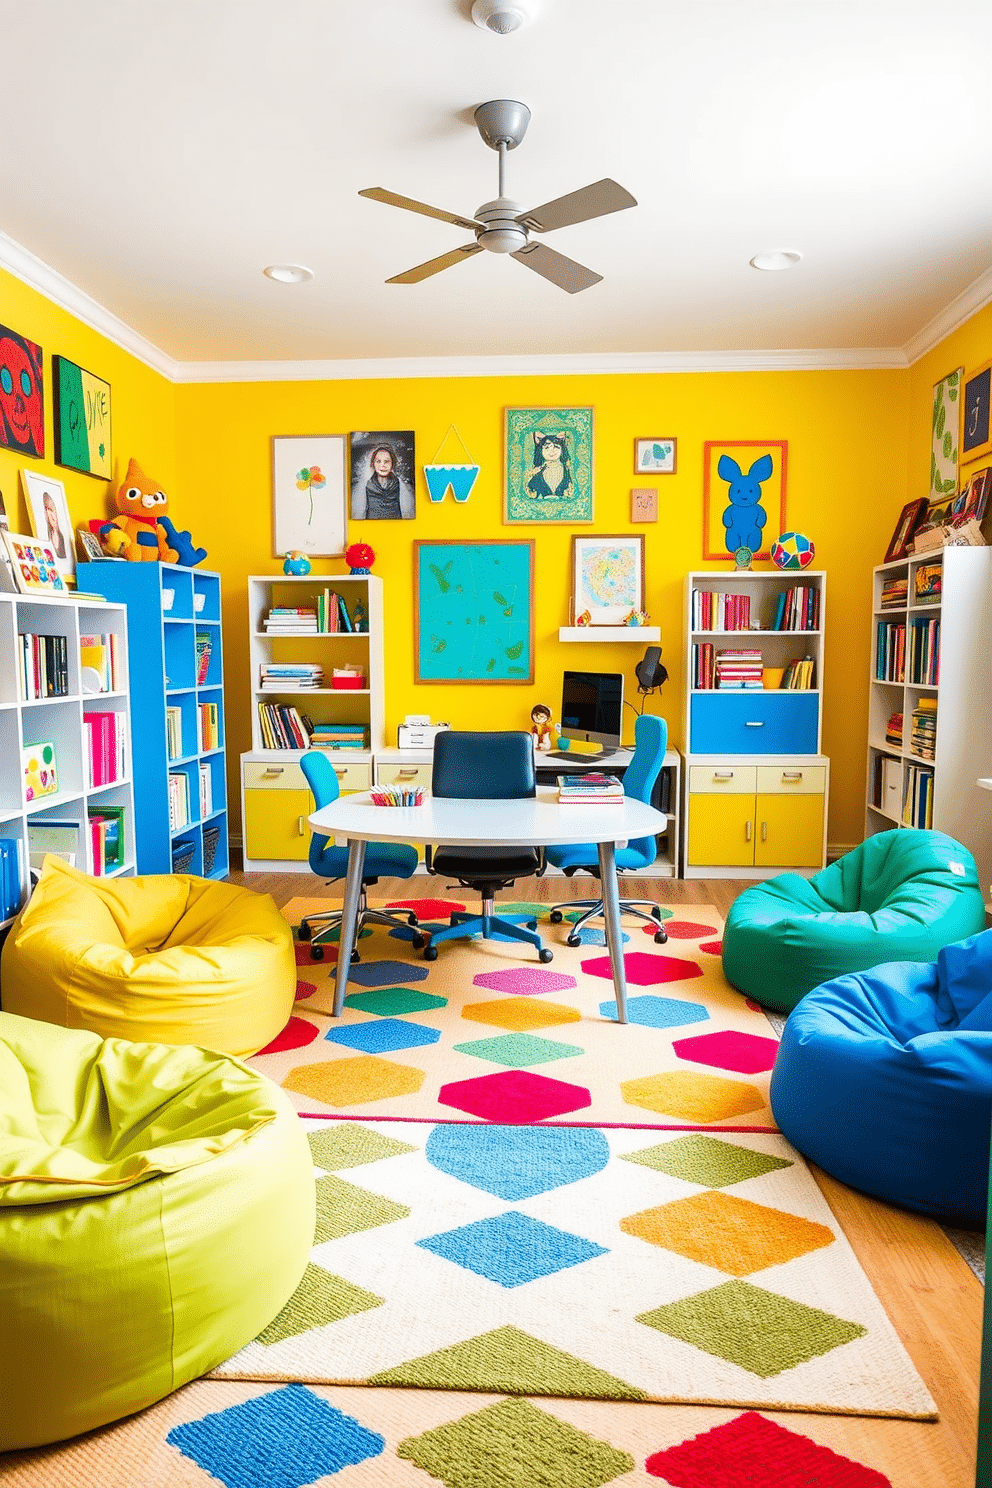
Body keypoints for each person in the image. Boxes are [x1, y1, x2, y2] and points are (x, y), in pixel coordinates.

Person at [353, 444, 415, 520]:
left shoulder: (401, 486)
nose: (382, 465)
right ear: (373, 464)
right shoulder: (366, 486)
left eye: (387, 461)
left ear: (392, 464)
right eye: (378, 461)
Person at [527, 432, 571, 500]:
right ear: (540, 450)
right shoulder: (536, 472)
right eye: (547, 447)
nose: (552, 451)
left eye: (556, 447)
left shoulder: (568, 470)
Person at [42, 490, 67, 559]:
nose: (51, 516)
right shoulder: (47, 536)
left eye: (52, 511)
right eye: (47, 512)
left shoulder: (62, 536)